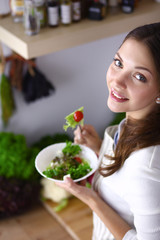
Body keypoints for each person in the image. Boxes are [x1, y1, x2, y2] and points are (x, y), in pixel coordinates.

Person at [56, 22, 160, 240]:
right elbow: (126, 180)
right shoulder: (136, 125)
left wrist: (91, 198)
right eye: (118, 63)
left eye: (140, 76)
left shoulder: (146, 166)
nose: (118, 81)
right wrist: (100, 148)